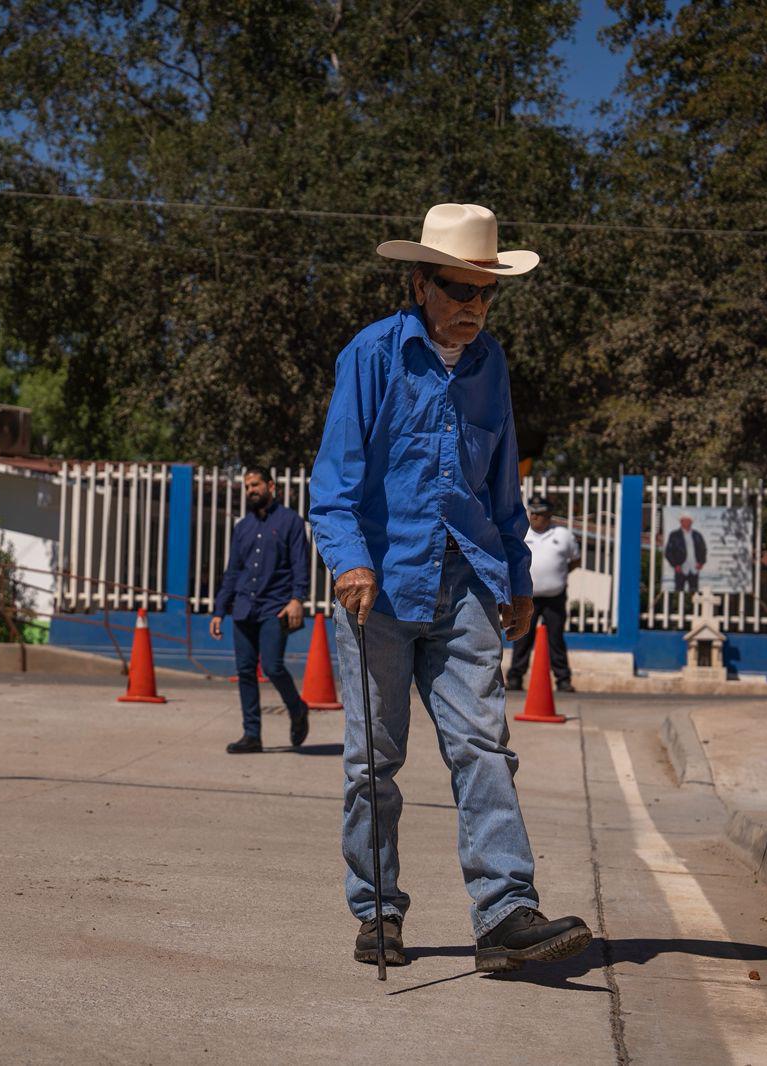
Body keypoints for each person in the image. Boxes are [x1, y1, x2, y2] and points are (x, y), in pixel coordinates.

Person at [308, 203, 591, 972]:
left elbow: (499, 481)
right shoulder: (370, 357)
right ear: (419, 283)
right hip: (381, 589)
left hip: (465, 580)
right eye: (458, 290)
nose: (472, 307)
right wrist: (351, 561)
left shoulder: (490, 362)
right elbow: (333, 482)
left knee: (484, 746)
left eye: (484, 293)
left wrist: (516, 569)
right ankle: (376, 912)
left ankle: (504, 915)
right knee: (375, 760)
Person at [209, 468, 312, 754]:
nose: (251, 490)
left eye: (255, 485)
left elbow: (299, 566)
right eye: (247, 486)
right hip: (243, 607)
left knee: (271, 666)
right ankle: (251, 734)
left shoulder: (291, 522)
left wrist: (297, 599)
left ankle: (297, 708)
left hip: (275, 607)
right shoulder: (242, 527)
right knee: (244, 670)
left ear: (270, 486)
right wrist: (219, 610)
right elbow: (233, 571)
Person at [506, 495, 580, 694]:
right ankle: (515, 678)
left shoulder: (563, 535)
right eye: (533, 513)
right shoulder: (522, 533)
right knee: (522, 638)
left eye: (540, 514)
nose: (535, 518)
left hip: (554, 597)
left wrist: (556, 576)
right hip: (526, 596)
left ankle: (563, 679)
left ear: (548, 515)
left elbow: (574, 560)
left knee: (556, 638)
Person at [665, 514, 708, 593]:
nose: (687, 523)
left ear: (691, 522)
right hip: (680, 568)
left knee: (694, 592)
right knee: (678, 590)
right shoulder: (674, 535)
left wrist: (701, 562)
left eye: (689, 521)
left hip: (694, 568)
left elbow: (703, 549)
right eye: (685, 521)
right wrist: (675, 565)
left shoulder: (697, 535)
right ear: (681, 522)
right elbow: (668, 552)